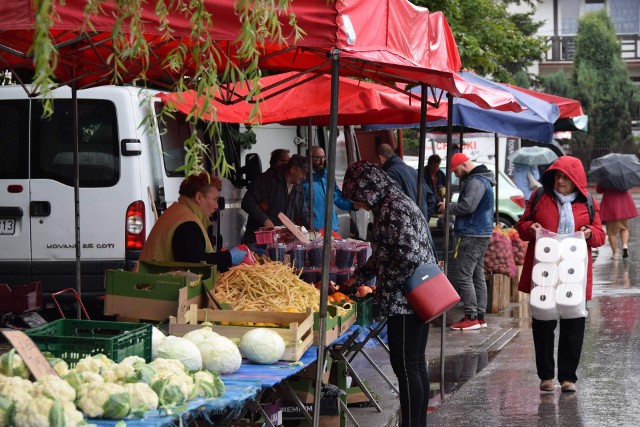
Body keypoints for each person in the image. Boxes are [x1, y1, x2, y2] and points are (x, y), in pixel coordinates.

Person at [341, 161, 437, 427]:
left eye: (357, 197)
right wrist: (360, 276)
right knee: (415, 364)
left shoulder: (391, 208)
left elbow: (405, 256)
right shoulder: (394, 202)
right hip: (417, 295)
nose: (358, 204)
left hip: (405, 299)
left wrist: (382, 286)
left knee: (406, 366)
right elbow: (387, 253)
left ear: (366, 188)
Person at [517, 156, 605, 393]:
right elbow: (522, 226)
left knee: (573, 323)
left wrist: (588, 233)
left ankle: (568, 378)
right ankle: (545, 376)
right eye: (557, 175)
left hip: (575, 273)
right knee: (543, 323)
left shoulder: (588, 202)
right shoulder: (539, 197)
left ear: (576, 179)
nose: (560, 181)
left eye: (565, 177)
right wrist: (530, 228)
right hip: (544, 270)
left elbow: (600, 235)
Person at [139, 173, 247, 272]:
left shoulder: (178, 212)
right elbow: (193, 264)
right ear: (199, 197)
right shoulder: (187, 223)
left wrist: (222, 256)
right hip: (155, 287)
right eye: (214, 199)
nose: (217, 206)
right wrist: (228, 257)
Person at [438, 152, 495, 330]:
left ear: (463, 166)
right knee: (477, 275)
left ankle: (471, 316)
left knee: (464, 275)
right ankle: (480, 316)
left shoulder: (476, 181)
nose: (455, 175)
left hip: (472, 234)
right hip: (480, 233)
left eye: (455, 171)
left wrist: (447, 207)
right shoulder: (483, 180)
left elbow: (468, 206)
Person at [241, 154, 310, 246]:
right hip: (258, 242)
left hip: (282, 243)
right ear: (294, 169)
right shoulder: (266, 179)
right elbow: (247, 202)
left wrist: (315, 232)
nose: (305, 177)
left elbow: (303, 214)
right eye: (304, 173)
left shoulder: (298, 187)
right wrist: (265, 220)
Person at [376, 143, 437, 220]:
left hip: (406, 226)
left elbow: (396, 203)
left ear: (380, 158)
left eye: (377, 161)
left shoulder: (390, 174)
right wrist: (424, 219)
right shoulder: (413, 171)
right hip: (420, 227)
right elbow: (431, 199)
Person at [302, 146, 355, 232]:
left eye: (323, 157)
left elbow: (337, 197)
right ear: (308, 157)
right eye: (317, 158)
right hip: (312, 230)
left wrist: (353, 205)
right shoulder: (303, 178)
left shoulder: (327, 175)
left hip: (332, 229)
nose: (321, 161)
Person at [596, 184, 637, 259]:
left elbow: (599, 190)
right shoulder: (623, 178)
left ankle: (615, 254)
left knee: (611, 233)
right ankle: (625, 245)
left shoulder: (606, 178)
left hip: (610, 206)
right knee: (624, 228)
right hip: (623, 205)